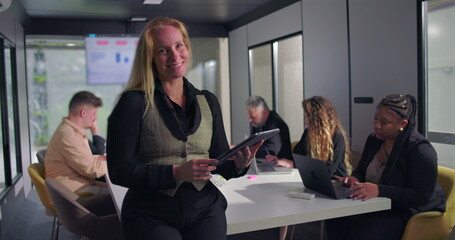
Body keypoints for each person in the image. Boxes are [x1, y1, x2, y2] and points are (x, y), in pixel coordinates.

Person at [107, 17, 261, 240]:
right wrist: (176, 172)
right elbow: (120, 170)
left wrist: (238, 165)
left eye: (179, 45)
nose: (174, 56)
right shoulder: (133, 102)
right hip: (150, 212)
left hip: (205, 208)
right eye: (162, 50)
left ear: (187, 47)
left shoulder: (208, 101)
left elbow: (217, 161)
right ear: (150, 57)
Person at [326, 94, 446, 240]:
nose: (377, 125)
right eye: (375, 119)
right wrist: (354, 178)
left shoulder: (420, 151)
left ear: (402, 125)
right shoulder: (373, 140)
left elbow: (421, 196)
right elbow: (361, 171)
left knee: (363, 234)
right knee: (335, 220)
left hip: (406, 210)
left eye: (384, 122)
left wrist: (379, 190)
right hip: (378, 204)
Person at [267, 96, 352, 177]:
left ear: (318, 120)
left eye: (308, 118)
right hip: (315, 180)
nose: (305, 122)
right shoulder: (308, 133)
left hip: (336, 184)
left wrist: (293, 164)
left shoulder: (337, 137)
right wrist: (278, 159)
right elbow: (297, 156)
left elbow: (329, 171)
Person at [45, 91, 108, 195]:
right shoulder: (68, 135)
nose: (96, 118)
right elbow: (92, 170)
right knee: (123, 198)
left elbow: (87, 160)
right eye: (94, 113)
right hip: (74, 193)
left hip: (78, 187)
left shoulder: (71, 131)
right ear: (83, 113)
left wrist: (104, 159)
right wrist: (115, 163)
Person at [246, 96, 293, 161]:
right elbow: (251, 143)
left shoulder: (277, 124)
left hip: (279, 165)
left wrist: (248, 152)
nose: (250, 120)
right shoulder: (258, 123)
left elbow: (272, 151)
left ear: (264, 112)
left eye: (253, 117)